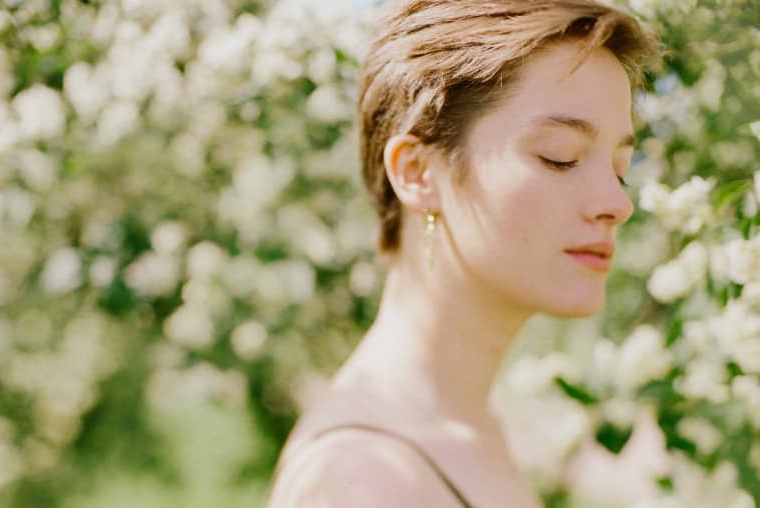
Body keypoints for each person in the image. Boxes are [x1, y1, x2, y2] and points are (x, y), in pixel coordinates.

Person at [265, 1, 659, 506]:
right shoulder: (364, 481)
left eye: (620, 167)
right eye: (559, 157)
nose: (617, 203)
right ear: (417, 172)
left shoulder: (470, 427)